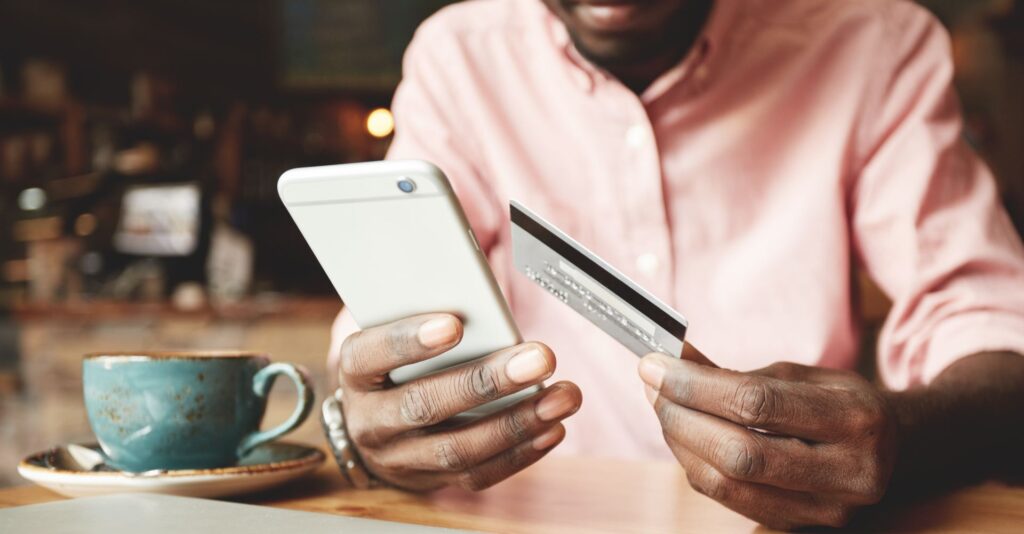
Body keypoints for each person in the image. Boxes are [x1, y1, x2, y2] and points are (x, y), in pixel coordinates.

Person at [327, 0, 1024, 528]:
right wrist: (375, 420)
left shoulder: (874, 43)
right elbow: (394, 329)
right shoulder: (461, 58)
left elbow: (989, 321)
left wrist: (908, 439)